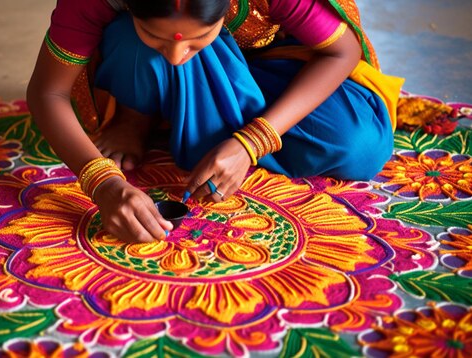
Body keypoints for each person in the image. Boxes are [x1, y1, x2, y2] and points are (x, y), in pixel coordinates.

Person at [26, 0, 404, 243]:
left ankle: (186, 115)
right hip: (177, 68)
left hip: (277, 64)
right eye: (157, 38)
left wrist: (253, 141)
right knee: (129, 40)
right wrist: (102, 181)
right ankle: (135, 114)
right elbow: (48, 93)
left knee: (360, 146)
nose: (176, 57)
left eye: (195, 39)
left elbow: (342, 51)